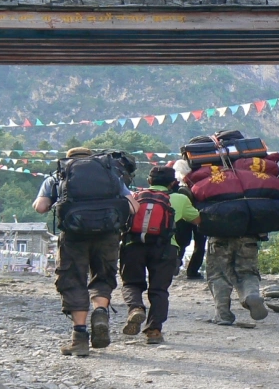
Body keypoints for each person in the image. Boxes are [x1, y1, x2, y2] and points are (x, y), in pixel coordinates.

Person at [34, 147, 137, 357]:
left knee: (72, 279)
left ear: (67, 160)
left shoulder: (57, 176)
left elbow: (41, 207)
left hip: (74, 236)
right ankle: (100, 312)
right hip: (108, 234)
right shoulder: (111, 175)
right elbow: (134, 206)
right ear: (92, 158)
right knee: (103, 277)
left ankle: (79, 337)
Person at [119, 164, 200, 344]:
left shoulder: (134, 196)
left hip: (133, 245)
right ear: (173, 183)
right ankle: (154, 331)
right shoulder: (179, 198)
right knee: (159, 290)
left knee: (131, 283)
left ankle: (135, 308)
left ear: (149, 181)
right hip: (165, 248)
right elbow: (197, 219)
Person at [172, 159, 206, 279]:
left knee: (181, 241)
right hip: (200, 214)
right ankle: (192, 271)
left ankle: (176, 263)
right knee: (200, 244)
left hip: (183, 215)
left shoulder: (178, 184)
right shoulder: (202, 179)